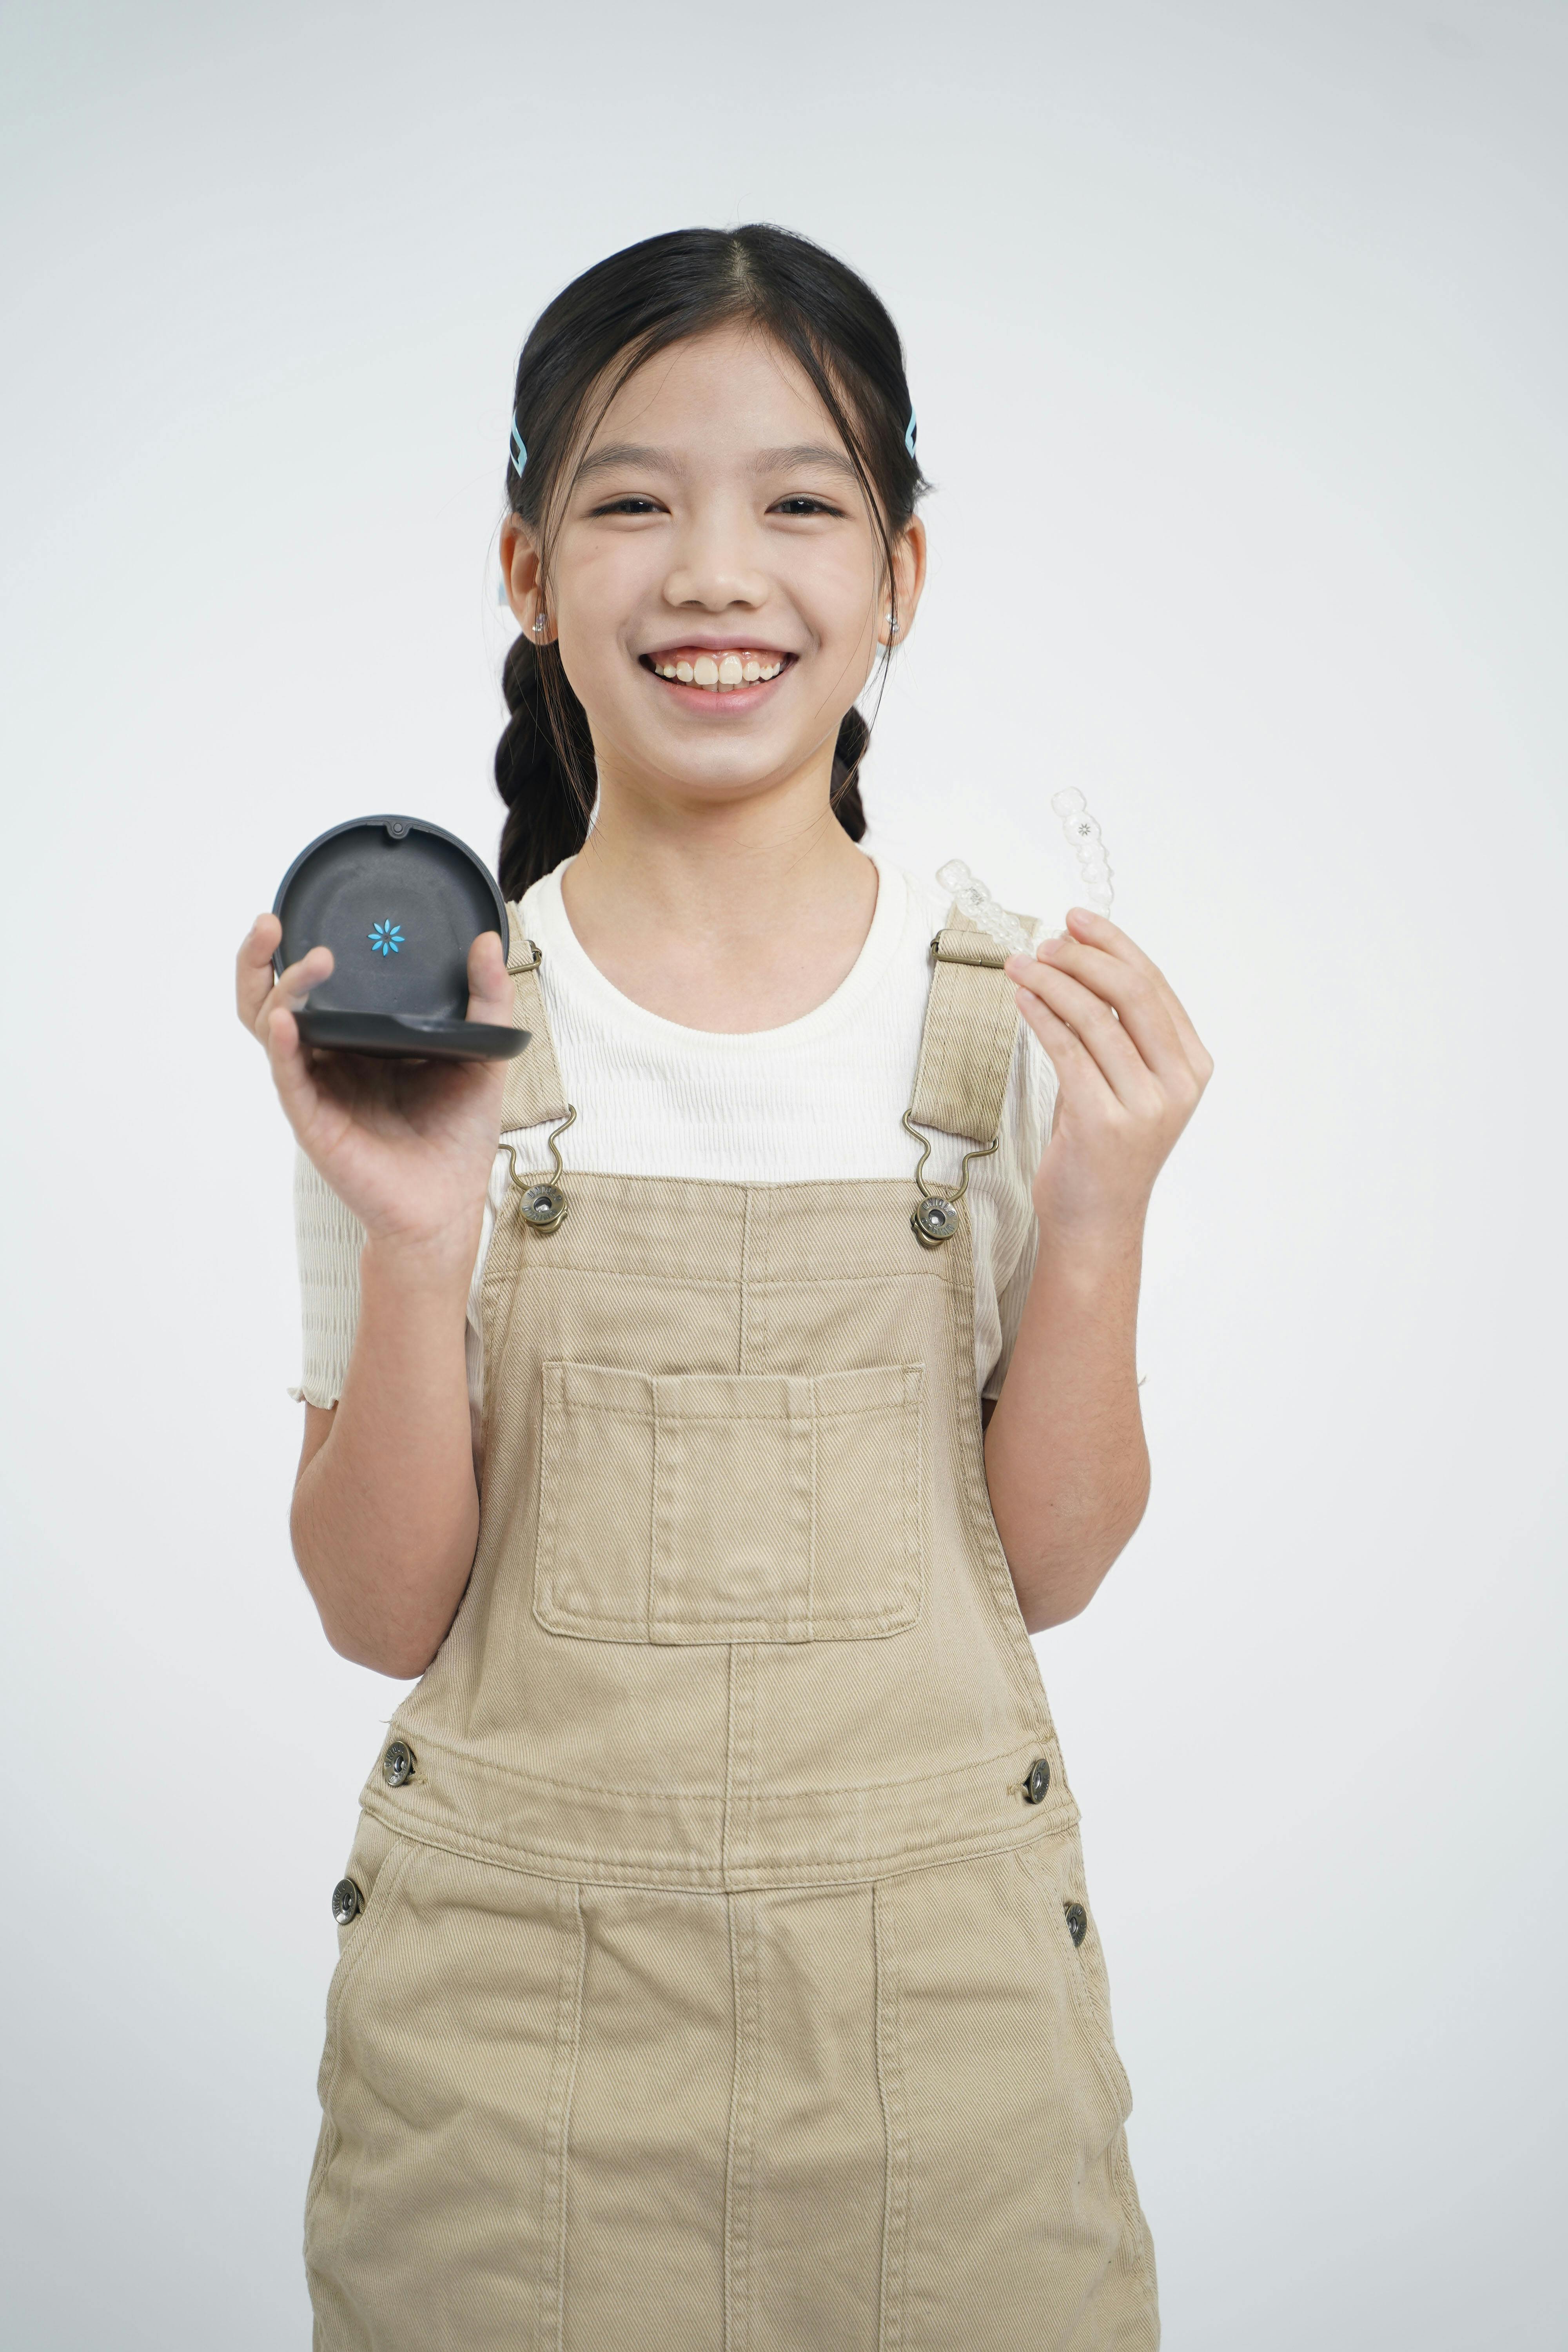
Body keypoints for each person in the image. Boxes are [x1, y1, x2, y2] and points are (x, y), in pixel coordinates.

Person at [235, 223, 1210, 2350]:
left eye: (797, 501)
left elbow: (1042, 1568)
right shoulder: (428, 1025)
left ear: (901, 577)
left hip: (949, 2063)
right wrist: (416, 1237)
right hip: (498, 2085)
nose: (712, 571)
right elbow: (378, 1612)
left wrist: (1112, 1201)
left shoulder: (1013, 1021)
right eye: (631, 500)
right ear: (527, 571)